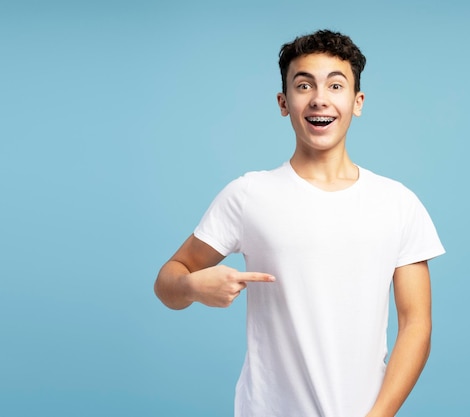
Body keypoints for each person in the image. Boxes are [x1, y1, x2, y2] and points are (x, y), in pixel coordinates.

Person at [154, 29, 445, 417]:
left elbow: (416, 326)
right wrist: (191, 286)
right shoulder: (248, 195)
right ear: (283, 102)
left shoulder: (398, 203)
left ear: (357, 102)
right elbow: (166, 283)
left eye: (336, 85)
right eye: (303, 85)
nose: (319, 99)